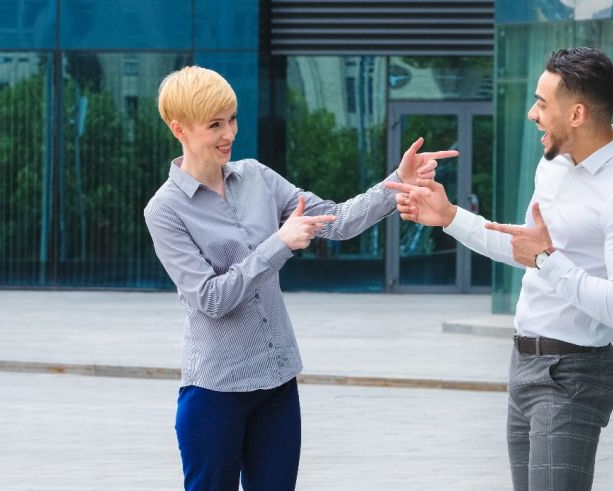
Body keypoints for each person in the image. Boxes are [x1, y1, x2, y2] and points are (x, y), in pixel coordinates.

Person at [143, 65, 457, 491]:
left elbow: (338, 220)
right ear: (178, 128)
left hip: (277, 380)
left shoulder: (257, 177)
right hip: (216, 392)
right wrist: (279, 243)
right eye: (214, 125)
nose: (228, 133)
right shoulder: (165, 210)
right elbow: (211, 299)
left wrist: (397, 183)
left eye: (232, 119)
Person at [387, 47, 613, 490]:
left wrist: (546, 261)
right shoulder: (553, 165)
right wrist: (449, 216)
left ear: (576, 113)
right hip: (524, 364)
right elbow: (524, 247)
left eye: (541, 103)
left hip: (572, 372)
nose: (532, 114)